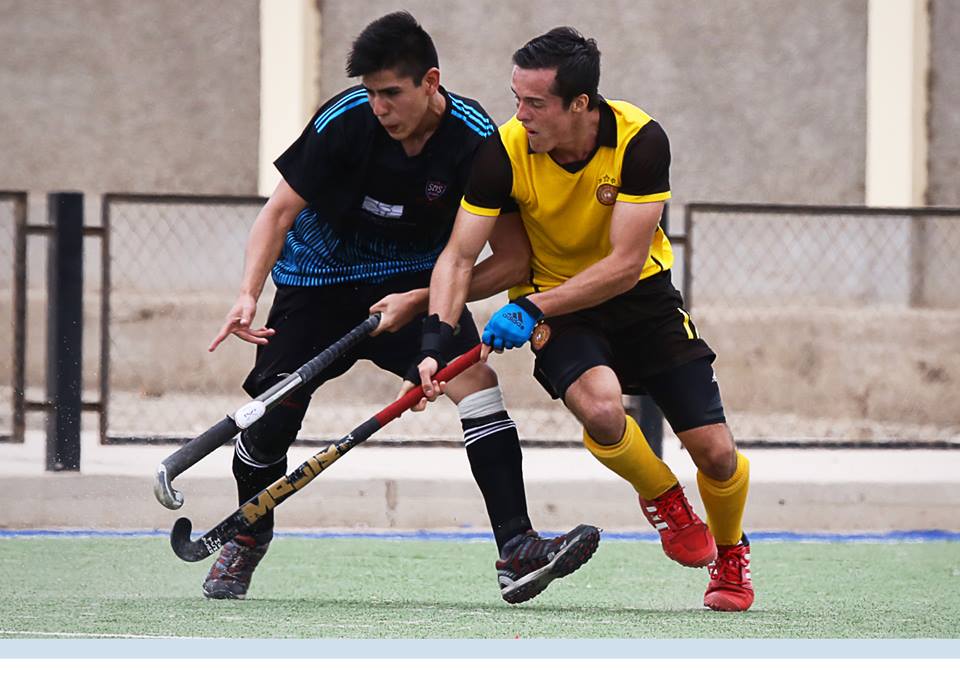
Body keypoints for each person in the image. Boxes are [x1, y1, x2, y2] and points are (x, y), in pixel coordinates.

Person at [202, 12, 600, 604]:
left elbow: (514, 259)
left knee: (478, 382)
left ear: (430, 82)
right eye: (371, 92)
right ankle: (248, 533)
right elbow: (278, 212)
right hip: (320, 281)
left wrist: (424, 299)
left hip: (418, 284)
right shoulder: (344, 121)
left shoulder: (475, 139)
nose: (379, 106)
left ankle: (516, 549)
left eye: (391, 93)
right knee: (270, 412)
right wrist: (246, 293)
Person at [414, 27, 753, 612]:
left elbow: (624, 266)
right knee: (599, 407)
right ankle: (666, 500)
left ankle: (730, 555)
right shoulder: (503, 151)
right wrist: (434, 340)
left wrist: (528, 307)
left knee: (717, 454)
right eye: (516, 99)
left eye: (535, 103)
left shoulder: (640, 140)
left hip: (639, 298)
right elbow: (459, 256)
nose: (520, 115)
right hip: (557, 305)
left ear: (580, 104)